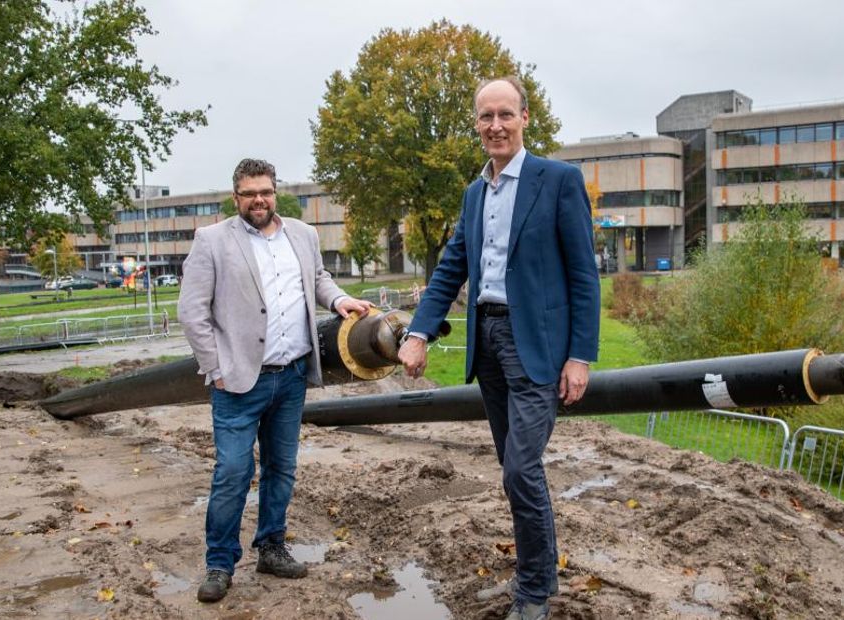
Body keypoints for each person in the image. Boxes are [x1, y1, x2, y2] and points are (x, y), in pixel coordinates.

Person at [398, 77, 600, 620]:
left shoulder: (557, 180)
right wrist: (418, 333)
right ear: (477, 124)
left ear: (524, 117)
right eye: (485, 117)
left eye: (505, 114)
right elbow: (449, 270)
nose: (495, 126)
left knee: (520, 469)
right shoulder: (474, 193)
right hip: (485, 338)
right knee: (516, 469)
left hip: (537, 345)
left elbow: (584, 275)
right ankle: (540, 574)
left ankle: (533, 592)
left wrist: (581, 355)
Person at [178, 158, 373, 603]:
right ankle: (220, 563)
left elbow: (318, 279)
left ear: (275, 192)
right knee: (231, 473)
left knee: (281, 469)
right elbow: (192, 313)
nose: (259, 200)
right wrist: (216, 368)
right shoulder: (211, 240)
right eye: (249, 194)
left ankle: (271, 546)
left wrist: (340, 300)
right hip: (238, 383)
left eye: (265, 191)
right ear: (236, 198)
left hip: (291, 378)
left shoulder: (302, 235)